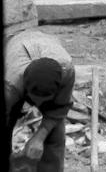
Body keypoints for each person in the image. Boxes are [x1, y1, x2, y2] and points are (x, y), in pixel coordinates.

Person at [4, 28, 75, 172]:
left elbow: (58, 110)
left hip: (44, 40)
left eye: (44, 100)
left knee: (55, 131)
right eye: (35, 99)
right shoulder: (11, 85)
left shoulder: (66, 71)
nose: (38, 105)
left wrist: (39, 138)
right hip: (15, 47)